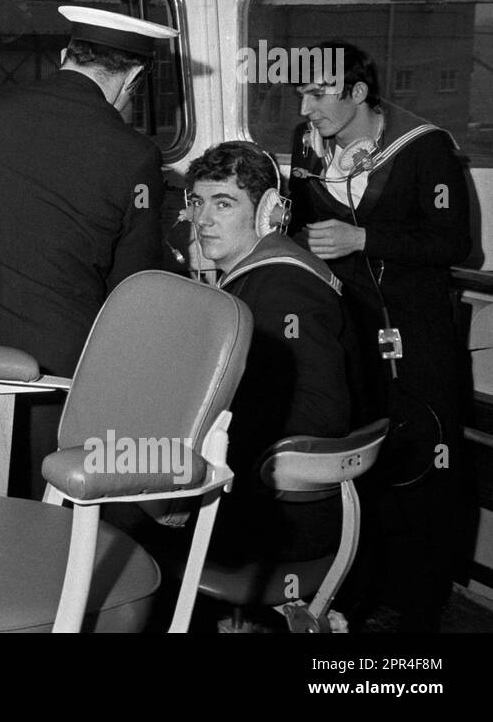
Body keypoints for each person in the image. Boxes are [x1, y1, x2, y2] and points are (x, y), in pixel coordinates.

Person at [0, 6, 176, 498]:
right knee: (38, 511)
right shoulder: (134, 153)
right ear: (134, 77)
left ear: (64, 56)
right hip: (53, 372)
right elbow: (133, 286)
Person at [287, 41, 470, 631]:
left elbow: (453, 244)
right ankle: (358, 588)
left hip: (417, 335)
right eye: (300, 94)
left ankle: (420, 604)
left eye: (317, 93)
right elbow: (299, 227)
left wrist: (364, 241)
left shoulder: (427, 147)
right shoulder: (307, 148)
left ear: (358, 93)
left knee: (428, 464)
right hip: (349, 334)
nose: (305, 106)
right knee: (360, 463)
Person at [185, 142, 354, 561]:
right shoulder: (258, 276)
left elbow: (321, 413)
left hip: (282, 515)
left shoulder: (283, 284)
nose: (202, 220)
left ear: (269, 213)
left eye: (223, 204)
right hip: (268, 496)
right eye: (197, 202)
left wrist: (195, 463)